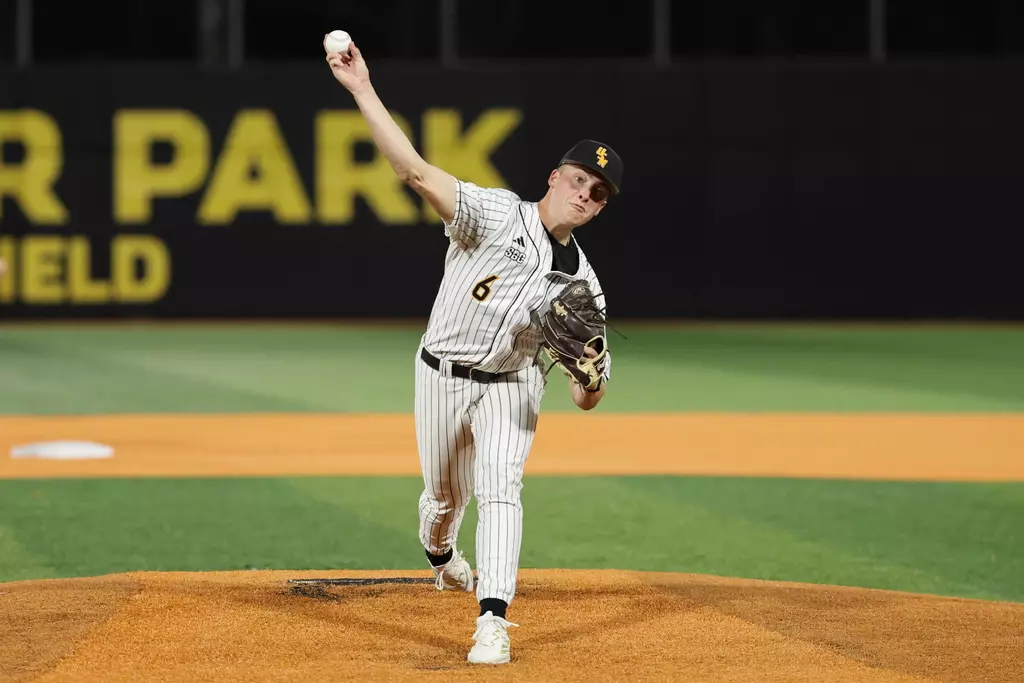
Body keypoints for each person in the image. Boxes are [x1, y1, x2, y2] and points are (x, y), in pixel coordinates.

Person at [326, 39, 623, 665]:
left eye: (597, 193)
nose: (583, 196)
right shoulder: (491, 214)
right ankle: (440, 552)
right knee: (441, 501)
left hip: (512, 386)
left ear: (600, 207)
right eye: (578, 180)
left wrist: (592, 377)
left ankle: (492, 621)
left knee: (502, 488)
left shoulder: (586, 287)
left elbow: (586, 397)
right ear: (554, 176)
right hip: (440, 373)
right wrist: (361, 90)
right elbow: (413, 171)